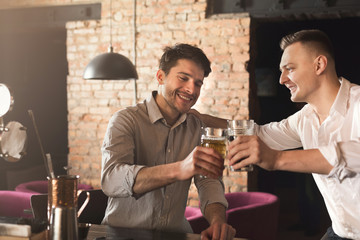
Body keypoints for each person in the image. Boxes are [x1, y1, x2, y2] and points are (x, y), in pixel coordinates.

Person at [193, 29, 360, 239]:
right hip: (340, 232)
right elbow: (261, 135)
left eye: (289, 69)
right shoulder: (304, 117)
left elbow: (354, 154)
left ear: (319, 65)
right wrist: (202, 119)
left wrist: (277, 159)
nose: (282, 80)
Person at [101, 43, 236, 240]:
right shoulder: (125, 119)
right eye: (183, 78)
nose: (191, 89)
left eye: (198, 83)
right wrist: (180, 168)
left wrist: (217, 222)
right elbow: (111, 180)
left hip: (176, 234)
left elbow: (209, 182)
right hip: (122, 234)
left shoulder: (197, 127)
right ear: (161, 77)